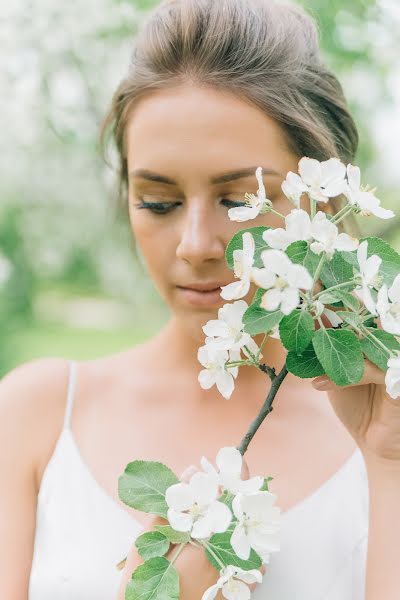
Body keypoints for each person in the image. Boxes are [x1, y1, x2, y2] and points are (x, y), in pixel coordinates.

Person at [1, 0, 399, 599]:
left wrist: (390, 463)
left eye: (240, 202)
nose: (194, 245)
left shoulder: (381, 423)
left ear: (324, 195)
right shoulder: (33, 417)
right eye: (158, 202)